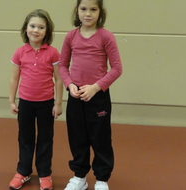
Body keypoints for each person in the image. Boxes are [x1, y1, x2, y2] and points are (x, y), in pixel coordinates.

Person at [59, 0, 123, 190]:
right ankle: (80, 177)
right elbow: (63, 65)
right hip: (76, 95)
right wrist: (69, 84)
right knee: (77, 137)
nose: (88, 13)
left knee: (100, 138)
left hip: (98, 96)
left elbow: (117, 68)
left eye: (93, 9)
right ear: (77, 10)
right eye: (84, 9)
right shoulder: (71, 36)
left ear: (100, 11)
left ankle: (102, 179)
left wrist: (96, 87)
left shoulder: (106, 36)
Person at [8, 9, 63, 190]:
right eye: (32, 26)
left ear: (47, 31)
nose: (36, 30)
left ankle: (45, 174)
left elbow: (59, 79)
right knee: (25, 137)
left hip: (46, 104)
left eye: (41, 27)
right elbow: (14, 78)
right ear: (26, 28)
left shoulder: (53, 53)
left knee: (46, 138)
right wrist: (12, 101)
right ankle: (23, 171)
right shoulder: (20, 52)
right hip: (25, 103)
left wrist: (58, 103)